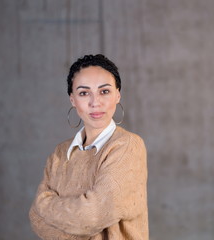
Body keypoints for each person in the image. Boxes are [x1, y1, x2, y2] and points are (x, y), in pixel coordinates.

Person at [29, 54, 148, 240]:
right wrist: (79, 225)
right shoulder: (60, 154)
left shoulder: (128, 146)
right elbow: (36, 217)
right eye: (84, 93)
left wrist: (46, 206)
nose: (95, 102)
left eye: (104, 91)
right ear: (72, 100)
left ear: (118, 95)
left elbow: (91, 215)